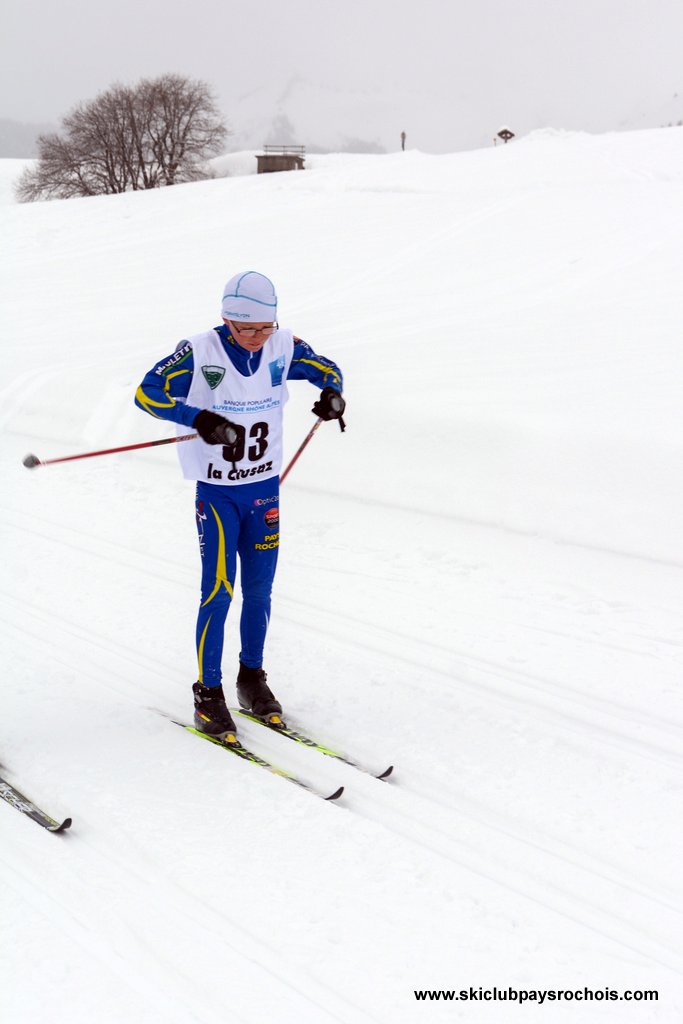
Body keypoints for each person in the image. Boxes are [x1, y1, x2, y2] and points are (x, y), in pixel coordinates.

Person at [135, 271, 345, 738]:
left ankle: (251, 679)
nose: (254, 338)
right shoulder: (199, 350)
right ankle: (208, 694)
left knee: (261, 592)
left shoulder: (283, 344)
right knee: (218, 591)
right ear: (225, 318)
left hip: (264, 491)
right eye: (244, 328)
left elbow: (328, 371)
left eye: (263, 328)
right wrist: (197, 417)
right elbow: (145, 393)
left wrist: (332, 395)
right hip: (218, 495)